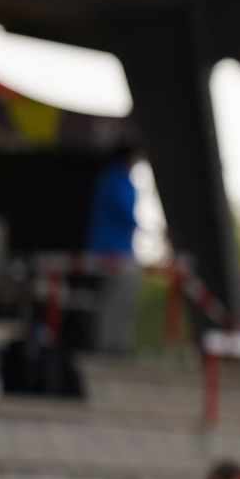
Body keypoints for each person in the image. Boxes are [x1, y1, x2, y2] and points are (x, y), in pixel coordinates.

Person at [84, 141, 142, 355]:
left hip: (116, 248)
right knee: (117, 299)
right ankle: (111, 345)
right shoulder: (116, 180)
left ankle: (113, 343)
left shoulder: (115, 179)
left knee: (115, 299)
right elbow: (124, 213)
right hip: (113, 250)